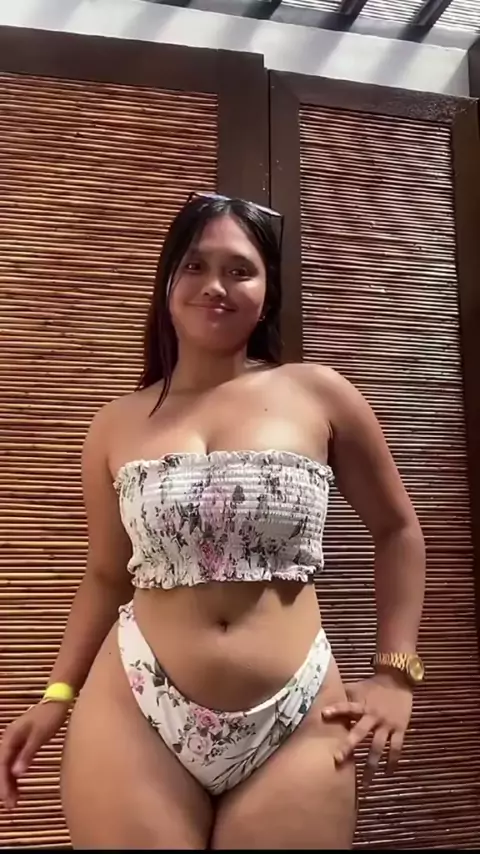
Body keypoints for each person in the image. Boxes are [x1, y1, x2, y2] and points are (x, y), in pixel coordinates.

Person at [0, 193, 426, 849]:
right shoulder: (115, 424)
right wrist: (57, 693)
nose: (216, 286)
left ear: (267, 290)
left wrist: (396, 673)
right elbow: (106, 575)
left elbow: (397, 531)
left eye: (240, 270)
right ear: (167, 283)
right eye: (195, 266)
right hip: (134, 706)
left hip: (297, 712)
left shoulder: (319, 394)